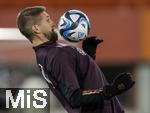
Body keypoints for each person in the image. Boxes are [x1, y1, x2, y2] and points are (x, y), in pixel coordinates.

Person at [17, 6, 135, 113]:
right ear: (36, 28)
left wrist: (88, 55)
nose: (53, 23)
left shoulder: (45, 53)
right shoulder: (57, 54)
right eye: (47, 20)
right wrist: (112, 90)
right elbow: (75, 98)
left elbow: (77, 80)